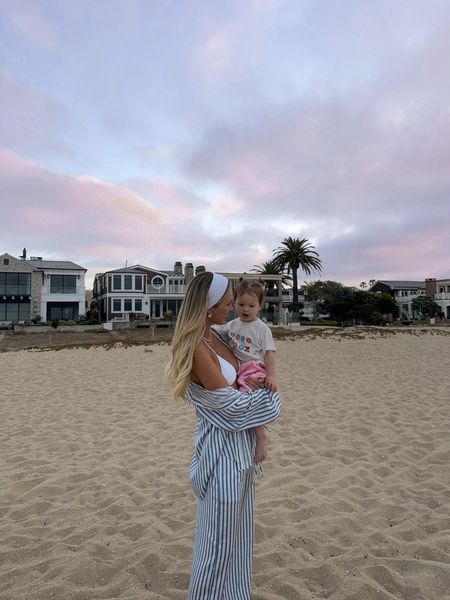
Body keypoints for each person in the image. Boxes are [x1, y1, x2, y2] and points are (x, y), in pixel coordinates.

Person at [166, 271, 280, 600]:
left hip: (241, 451)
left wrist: (261, 389)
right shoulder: (197, 348)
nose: (233, 307)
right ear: (208, 307)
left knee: (238, 541)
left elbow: (253, 365)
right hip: (221, 456)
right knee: (217, 545)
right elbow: (231, 408)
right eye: (228, 302)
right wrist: (270, 402)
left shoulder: (220, 336)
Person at [223, 278, 277, 465]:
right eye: (241, 304)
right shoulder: (231, 326)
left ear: (260, 306)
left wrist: (271, 376)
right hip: (238, 368)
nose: (246, 309)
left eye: (251, 305)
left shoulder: (261, 328)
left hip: (253, 367)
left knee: (247, 397)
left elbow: (269, 353)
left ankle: (261, 436)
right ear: (234, 303)